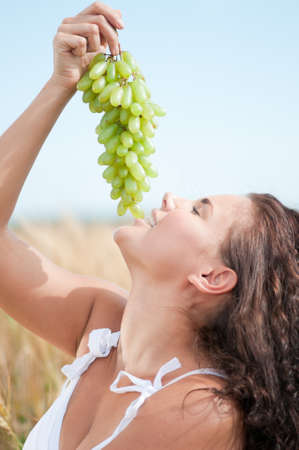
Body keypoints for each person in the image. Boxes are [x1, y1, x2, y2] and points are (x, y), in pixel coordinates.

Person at [0, 2, 297, 449]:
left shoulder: (203, 413)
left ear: (213, 277)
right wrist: (60, 84)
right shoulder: (101, 323)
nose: (170, 199)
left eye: (199, 210)